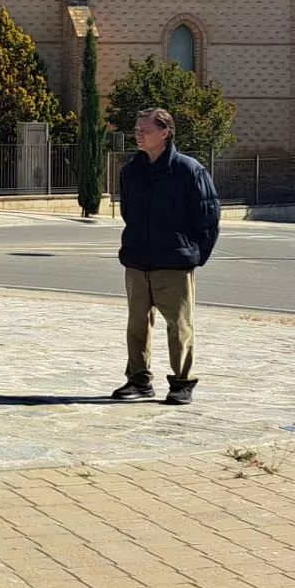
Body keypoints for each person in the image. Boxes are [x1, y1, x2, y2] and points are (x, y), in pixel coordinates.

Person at [115, 106, 221, 405]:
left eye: (145, 130)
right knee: (137, 325)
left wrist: (194, 255)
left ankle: (182, 382)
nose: (138, 135)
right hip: (137, 262)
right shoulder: (131, 171)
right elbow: (128, 213)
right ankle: (138, 380)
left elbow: (208, 217)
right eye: (136, 130)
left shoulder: (189, 170)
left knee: (179, 326)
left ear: (165, 132)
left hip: (174, 263)